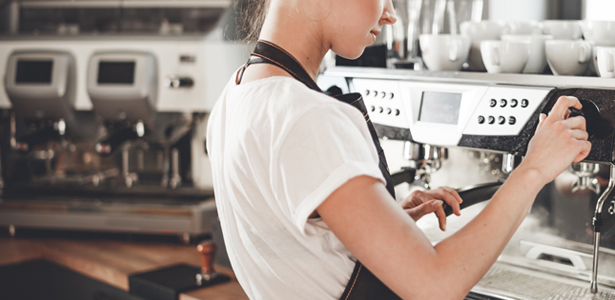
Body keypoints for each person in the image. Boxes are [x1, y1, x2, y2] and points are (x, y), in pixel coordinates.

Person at [206, 0, 592, 299]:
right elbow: (436, 287)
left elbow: (293, 250)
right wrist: (534, 170)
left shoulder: (237, 94)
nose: (390, 14)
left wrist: (383, 224)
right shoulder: (307, 115)